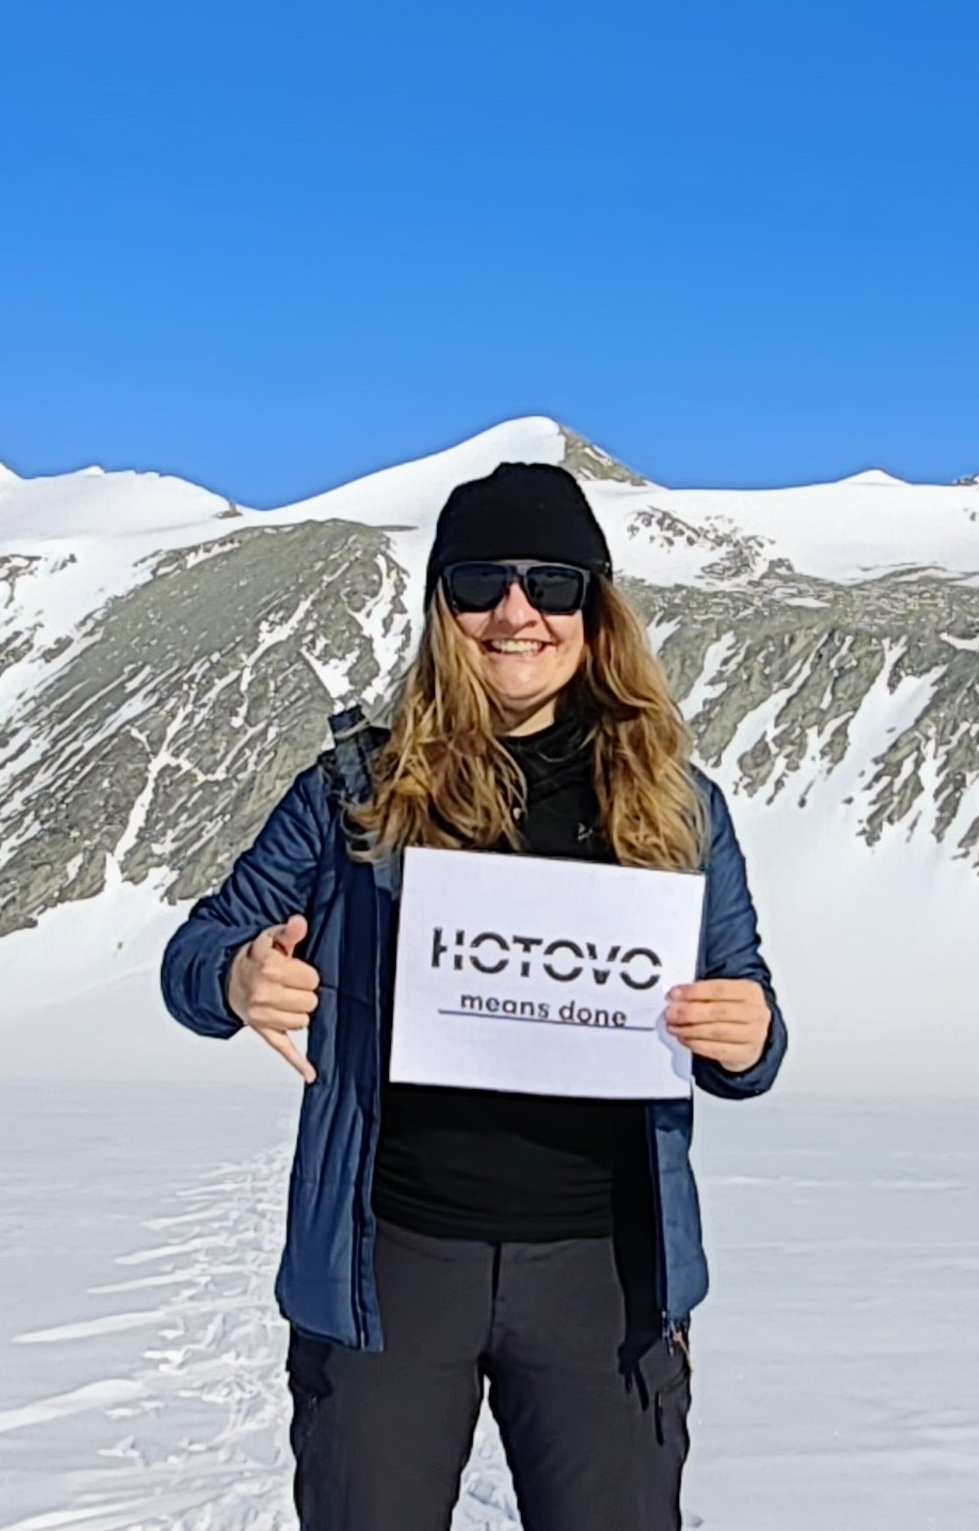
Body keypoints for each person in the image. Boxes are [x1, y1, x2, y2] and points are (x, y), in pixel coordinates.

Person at [160, 460, 786, 1531]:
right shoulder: (356, 789)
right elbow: (197, 950)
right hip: (393, 1265)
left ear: (595, 609)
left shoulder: (678, 806)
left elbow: (750, 1018)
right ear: (441, 607)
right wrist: (237, 974)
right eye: (480, 581)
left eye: (550, 583)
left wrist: (747, 1032)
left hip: (603, 1275)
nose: (515, 612)